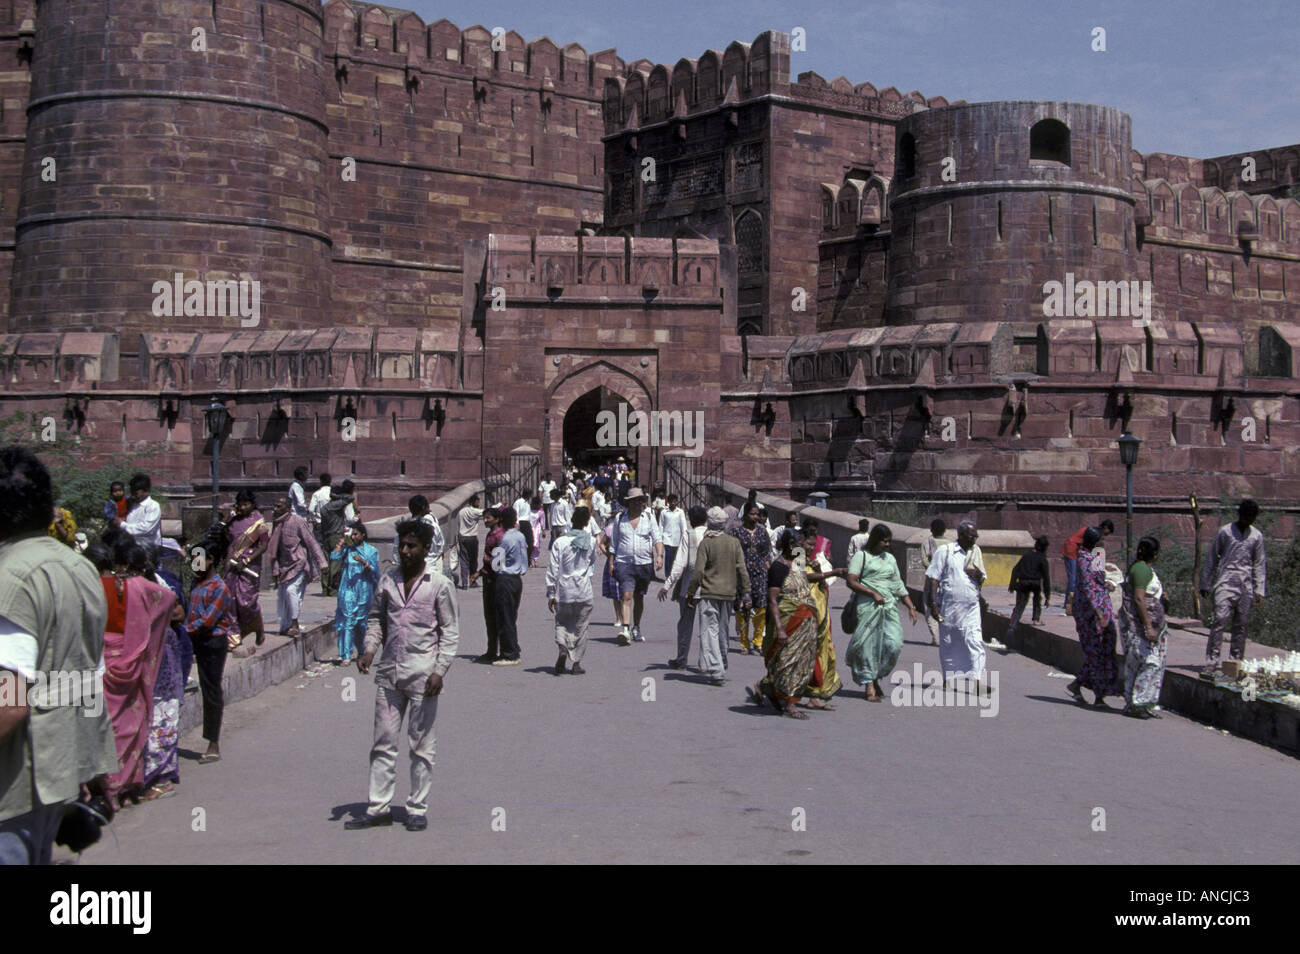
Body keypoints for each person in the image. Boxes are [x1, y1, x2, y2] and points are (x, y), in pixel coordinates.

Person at [0, 446, 119, 865]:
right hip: (62, 774)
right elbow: (86, 675)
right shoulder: (80, 568)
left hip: (14, 788)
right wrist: (95, 772)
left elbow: (7, 705)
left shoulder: (9, 577)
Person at [346, 519, 458, 833]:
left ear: (426, 549)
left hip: (424, 677)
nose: (405, 551)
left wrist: (440, 670)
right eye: (402, 545)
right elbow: (375, 620)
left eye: (412, 546)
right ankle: (378, 807)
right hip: (389, 675)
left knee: (421, 745)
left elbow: (450, 632)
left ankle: (417, 808)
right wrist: (369, 649)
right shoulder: (387, 582)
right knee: (382, 743)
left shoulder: (439, 585)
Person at [99, 541, 177, 807]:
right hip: (133, 661)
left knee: (109, 724)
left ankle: (108, 787)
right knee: (131, 723)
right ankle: (129, 785)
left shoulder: (99, 586)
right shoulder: (144, 588)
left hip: (104, 663)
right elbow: (169, 599)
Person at [746, 530, 819, 718]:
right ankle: (790, 705)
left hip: (805, 621)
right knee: (787, 662)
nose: (806, 547)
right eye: (802, 543)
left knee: (802, 662)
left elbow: (803, 581)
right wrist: (779, 629)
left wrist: (828, 573)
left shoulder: (799, 559)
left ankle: (766, 688)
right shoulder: (778, 567)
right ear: (790, 545)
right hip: (787, 621)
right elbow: (773, 600)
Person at [846, 525, 917, 703]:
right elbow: (851, 580)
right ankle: (869, 684)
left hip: (889, 607)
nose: (887, 544)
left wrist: (910, 606)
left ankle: (876, 675)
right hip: (868, 606)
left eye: (889, 541)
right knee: (867, 645)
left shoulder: (890, 559)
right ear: (875, 540)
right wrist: (872, 593)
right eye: (884, 541)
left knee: (893, 644)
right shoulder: (861, 556)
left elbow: (897, 583)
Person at [1199, 498, 1266, 676]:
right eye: (1246, 517)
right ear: (1240, 515)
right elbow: (1212, 557)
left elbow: (1259, 563)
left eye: (1252, 518)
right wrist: (1205, 582)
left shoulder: (1256, 536)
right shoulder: (1225, 532)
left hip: (1246, 584)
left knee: (1241, 623)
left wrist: (1259, 589)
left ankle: (1235, 660)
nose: (1248, 521)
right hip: (1225, 581)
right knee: (1220, 619)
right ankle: (1212, 661)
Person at [184, 542, 237, 764]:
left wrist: (182, 630)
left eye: (199, 559)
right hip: (195, 639)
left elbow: (207, 621)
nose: (195, 565)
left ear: (211, 560)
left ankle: (213, 743)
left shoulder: (220, 588)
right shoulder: (197, 584)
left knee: (211, 690)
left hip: (212, 642)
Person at [142, 545, 187, 801]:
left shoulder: (163, 587)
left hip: (163, 658)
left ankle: (161, 776)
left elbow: (179, 613)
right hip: (144, 661)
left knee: (163, 717)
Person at [685, 507, 749, 686]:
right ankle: (722, 657)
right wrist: (746, 592)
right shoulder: (733, 542)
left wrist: (691, 592)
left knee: (709, 631)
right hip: (729, 593)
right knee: (722, 630)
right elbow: (742, 569)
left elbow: (698, 572)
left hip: (709, 592)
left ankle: (716, 668)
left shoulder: (706, 543)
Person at [925, 521, 987, 689]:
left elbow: (982, 578)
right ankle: (949, 678)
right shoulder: (945, 551)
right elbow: (934, 578)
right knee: (950, 641)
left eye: (976, 536)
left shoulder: (976, 551)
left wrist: (978, 574)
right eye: (971, 536)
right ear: (960, 535)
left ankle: (978, 679)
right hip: (950, 605)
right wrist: (933, 604)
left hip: (971, 605)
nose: (974, 539)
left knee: (974, 639)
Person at [1065, 527, 1122, 707]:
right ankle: (1099, 696)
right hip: (1090, 614)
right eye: (1101, 540)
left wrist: (1106, 585)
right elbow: (1089, 590)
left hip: (1102, 608)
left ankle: (1078, 684)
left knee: (1104, 650)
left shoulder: (1095, 557)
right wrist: (1099, 615)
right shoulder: (1083, 560)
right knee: (1095, 653)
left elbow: (1097, 581)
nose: (1104, 542)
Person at [1119, 536, 1167, 720]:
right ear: (1155, 554)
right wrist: (1148, 627)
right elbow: (1139, 598)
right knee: (1150, 662)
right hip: (1138, 625)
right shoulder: (1141, 570)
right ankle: (1138, 701)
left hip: (1141, 624)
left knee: (1134, 664)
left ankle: (1136, 703)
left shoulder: (1143, 569)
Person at [608, 489, 664, 645]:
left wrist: (659, 555)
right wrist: (611, 563)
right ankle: (625, 629)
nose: (637, 503)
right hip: (624, 563)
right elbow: (614, 543)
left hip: (644, 563)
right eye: (633, 500)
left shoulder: (649, 518)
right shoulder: (620, 519)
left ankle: (636, 627)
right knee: (626, 595)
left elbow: (657, 539)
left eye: (639, 500)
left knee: (639, 597)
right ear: (628, 502)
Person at [267, 494, 328, 637]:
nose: (275, 509)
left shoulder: (298, 521)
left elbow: (311, 542)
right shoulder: (276, 523)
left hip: (299, 564)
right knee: (283, 597)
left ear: (288, 508)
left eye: (279, 506)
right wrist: (275, 570)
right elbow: (273, 550)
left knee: (290, 590)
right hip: (284, 567)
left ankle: (294, 623)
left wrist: (322, 563)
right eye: (274, 506)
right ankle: (286, 625)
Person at [801, 525, 847, 708]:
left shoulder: (809, 559)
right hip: (803, 612)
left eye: (813, 545)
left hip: (818, 611)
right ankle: (767, 686)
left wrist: (819, 570)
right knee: (799, 655)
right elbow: (802, 577)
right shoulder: (796, 555)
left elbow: (819, 582)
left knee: (819, 652)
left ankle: (815, 695)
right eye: (808, 544)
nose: (811, 548)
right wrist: (831, 572)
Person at [547, 506, 596, 675]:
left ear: (572, 520)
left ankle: (562, 647)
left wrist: (551, 593)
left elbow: (553, 569)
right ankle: (576, 663)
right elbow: (591, 561)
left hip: (564, 590)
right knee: (581, 627)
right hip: (583, 589)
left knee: (562, 622)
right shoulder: (590, 541)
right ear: (586, 522)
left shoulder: (560, 542)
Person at [222, 489, 269, 656]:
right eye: (240, 504)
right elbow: (225, 537)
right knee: (230, 601)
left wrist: (247, 560)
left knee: (246, 602)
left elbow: (263, 546)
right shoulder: (233, 521)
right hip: (231, 566)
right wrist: (227, 518)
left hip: (249, 567)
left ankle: (257, 625)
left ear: (252, 505)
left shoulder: (259, 523)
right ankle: (234, 638)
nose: (243, 507)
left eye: (246, 504)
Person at [662, 505, 708, 671]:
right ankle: (705, 662)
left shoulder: (689, 535)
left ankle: (682, 659)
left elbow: (680, 563)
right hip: (708, 589)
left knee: (685, 626)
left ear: (691, 520)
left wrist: (667, 585)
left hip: (688, 589)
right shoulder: (713, 536)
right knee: (707, 628)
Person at [333, 521, 380, 664]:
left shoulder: (371, 551)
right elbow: (334, 557)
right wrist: (340, 544)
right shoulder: (348, 549)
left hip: (364, 589)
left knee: (361, 622)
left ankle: (361, 651)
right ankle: (346, 655)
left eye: (355, 534)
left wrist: (364, 562)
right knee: (347, 619)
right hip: (348, 588)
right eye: (351, 534)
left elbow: (375, 572)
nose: (353, 537)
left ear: (363, 535)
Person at [730, 503, 772, 655]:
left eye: (757, 514)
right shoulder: (737, 532)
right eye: (752, 514)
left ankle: (758, 641)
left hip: (760, 574)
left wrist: (768, 568)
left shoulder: (762, 532)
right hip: (742, 575)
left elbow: (767, 552)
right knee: (742, 608)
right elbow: (732, 553)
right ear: (745, 515)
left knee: (761, 607)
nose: (755, 517)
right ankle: (744, 642)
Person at [490, 508, 528, 666]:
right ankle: (513, 647)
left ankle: (510, 654)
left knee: (505, 616)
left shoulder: (505, 539)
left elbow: (495, 563)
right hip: (517, 578)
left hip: (505, 578)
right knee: (511, 615)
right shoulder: (520, 536)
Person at [468, 508, 503, 662]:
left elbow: (496, 562)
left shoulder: (498, 536)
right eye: (484, 518)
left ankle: (498, 650)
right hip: (488, 577)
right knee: (489, 617)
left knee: (494, 616)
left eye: (488, 518)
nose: (485, 520)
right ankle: (491, 649)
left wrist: (482, 569)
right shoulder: (491, 534)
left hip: (495, 580)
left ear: (496, 519)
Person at [1062, 519, 1114, 616]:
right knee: (1073, 579)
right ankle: (1068, 604)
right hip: (1071, 550)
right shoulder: (1091, 532)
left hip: (1076, 552)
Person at [1007, 535, 1051, 638]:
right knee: (1037, 599)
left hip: (1023, 582)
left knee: (1020, 605)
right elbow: (1046, 578)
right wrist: (1047, 596)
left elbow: (1015, 569)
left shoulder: (1026, 555)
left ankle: (1012, 625)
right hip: (1035, 583)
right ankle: (1036, 619)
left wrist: (1012, 585)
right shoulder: (1042, 558)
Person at [318, 479, 357, 597]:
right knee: (335, 564)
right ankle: (333, 590)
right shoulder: (336, 505)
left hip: (326, 536)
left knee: (326, 564)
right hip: (336, 537)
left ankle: (325, 589)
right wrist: (340, 495)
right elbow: (350, 498)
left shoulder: (324, 508)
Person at [394, 495, 445, 577]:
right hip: (431, 569)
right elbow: (440, 547)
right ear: (423, 507)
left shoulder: (403, 529)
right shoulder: (433, 526)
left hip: (409, 572)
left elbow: (396, 551)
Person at [117, 472, 162, 551]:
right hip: (130, 546)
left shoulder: (153, 506)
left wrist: (122, 525)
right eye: (131, 492)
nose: (133, 495)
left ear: (146, 490)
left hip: (147, 548)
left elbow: (145, 528)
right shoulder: (132, 505)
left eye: (136, 493)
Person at [919, 519, 945, 646]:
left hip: (932, 579)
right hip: (947, 580)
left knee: (929, 605)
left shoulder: (927, 543)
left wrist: (934, 570)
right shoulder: (951, 544)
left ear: (932, 530)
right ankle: (945, 637)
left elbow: (924, 561)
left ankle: (936, 637)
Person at [456, 495, 484, 590]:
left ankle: (464, 583)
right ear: (473, 502)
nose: (479, 504)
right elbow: (488, 512)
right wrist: (500, 505)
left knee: (463, 560)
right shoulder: (475, 511)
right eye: (478, 502)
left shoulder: (461, 511)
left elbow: (458, 524)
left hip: (462, 537)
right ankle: (472, 580)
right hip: (472, 538)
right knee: (473, 560)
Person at [658, 493, 687, 576]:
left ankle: (674, 575)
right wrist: (660, 539)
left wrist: (684, 537)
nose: (673, 503)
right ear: (668, 502)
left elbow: (684, 525)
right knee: (668, 558)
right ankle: (668, 575)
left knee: (676, 559)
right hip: (667, 539)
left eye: (675, 501)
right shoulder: (664, 512)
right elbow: (661, 525)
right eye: (671, 502)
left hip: (677, 539)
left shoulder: (680, 512)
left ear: (677, 502)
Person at [308, 472, 332, 548]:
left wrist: (313, 519)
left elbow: (311, 509)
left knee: (319, 546)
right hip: (332, 523)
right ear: (330, 481)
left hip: (319, 523)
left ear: (321, 481)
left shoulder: (317, 494)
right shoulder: (334, 493)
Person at [529, 495, 547, 567]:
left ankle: (535, 559)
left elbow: (542, 521)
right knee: (529, 544)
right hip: (529, 528)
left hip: (536, 529)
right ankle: (529, 559)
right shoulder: (529, 511)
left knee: (536, 544)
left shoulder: (541, 512)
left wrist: (543, 530)